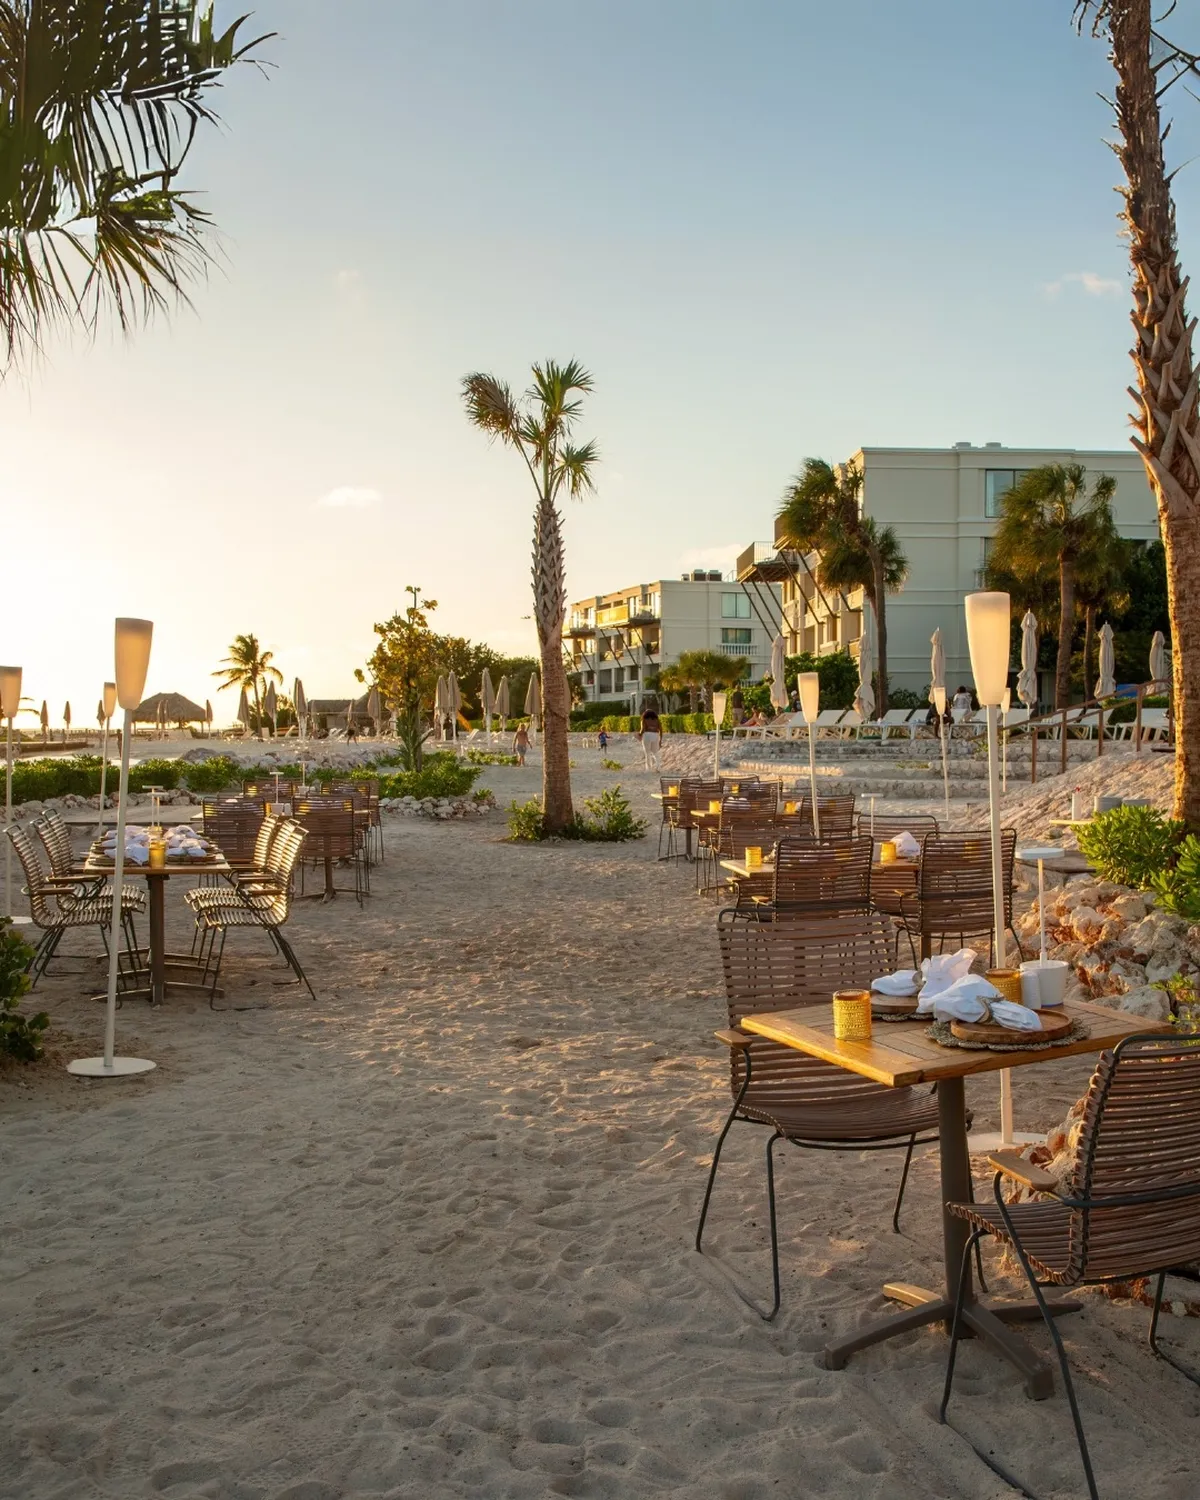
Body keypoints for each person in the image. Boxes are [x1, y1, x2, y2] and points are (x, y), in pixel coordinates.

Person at [638, 705, 663, 770]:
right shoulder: (657, 720)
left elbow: (642, 729)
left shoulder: (644, 719)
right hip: (655, 735)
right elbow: (661, 730)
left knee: (647, 753)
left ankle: (648, 768)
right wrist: (660, 740)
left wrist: (639, 734)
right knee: (655, 752)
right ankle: (658, 767)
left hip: (647, 735)